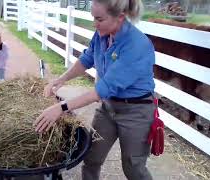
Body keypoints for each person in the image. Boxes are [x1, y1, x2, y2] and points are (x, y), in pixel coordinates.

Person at [34, 0, 156, 179]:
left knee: (133, 167)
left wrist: (61, 108)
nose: (94, 23)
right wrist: (61, 79)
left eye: (99, 19)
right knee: (91, 158)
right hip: (108, 108)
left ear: (120, 17)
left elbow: (100, 91)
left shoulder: (136, 45)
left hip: (136, 111)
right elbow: (87, 59)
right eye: (93, 18)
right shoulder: (102, 33)